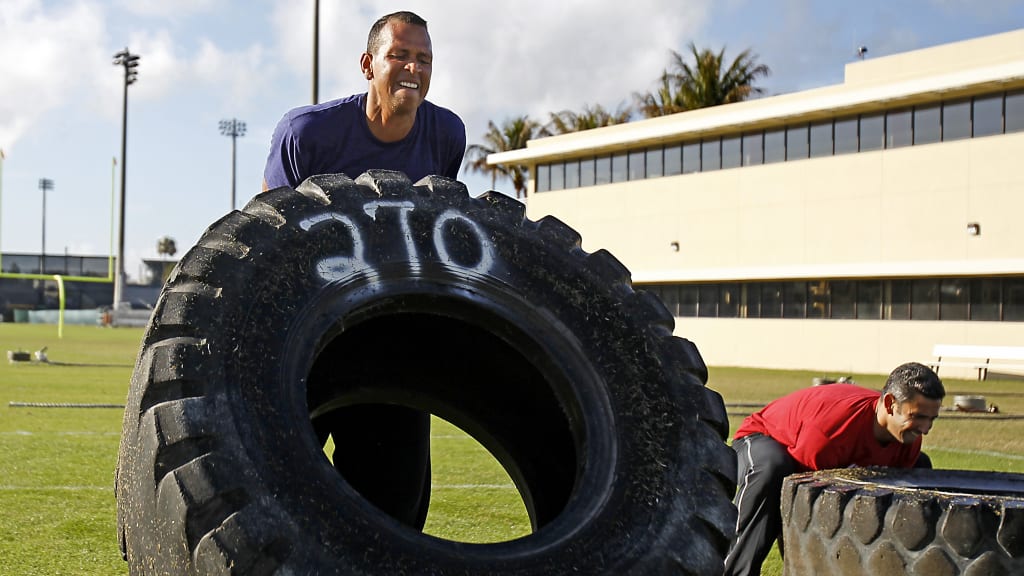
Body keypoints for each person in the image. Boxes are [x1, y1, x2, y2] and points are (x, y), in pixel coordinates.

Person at [262, 11, 466, 530]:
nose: (411, 69)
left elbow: (432, 229)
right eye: (399, 55)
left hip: (388, 337)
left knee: (395, 507)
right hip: (304, 335)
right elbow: (266, 231)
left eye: (423, 58)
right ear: (368, 63)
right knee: (270, 483)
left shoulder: (445, 133)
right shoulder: (309, 133)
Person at [723, 362, 945, 576]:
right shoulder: (830, 432)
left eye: (931, 419)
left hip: (827, 455)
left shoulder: (909, 438)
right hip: (764, 438)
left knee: (920, 469)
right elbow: (798, 505)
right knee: (772, 470)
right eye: (917, 417)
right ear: (889, 404)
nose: (925, 428)